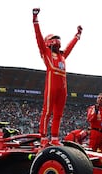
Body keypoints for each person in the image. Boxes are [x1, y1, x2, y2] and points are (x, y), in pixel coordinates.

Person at [32, 8, 83, 146]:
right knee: (47, 111)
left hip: (63, 88)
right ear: (49, 42)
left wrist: (77, 36)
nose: (57, 41)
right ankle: (43, 137)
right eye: (54, 38)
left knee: (58, 114)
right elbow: (38, 37)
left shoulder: (62, 56)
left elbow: (70, 47)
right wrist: (35, 19)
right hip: (52, 85)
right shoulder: (46, 53)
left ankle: (54, 137)